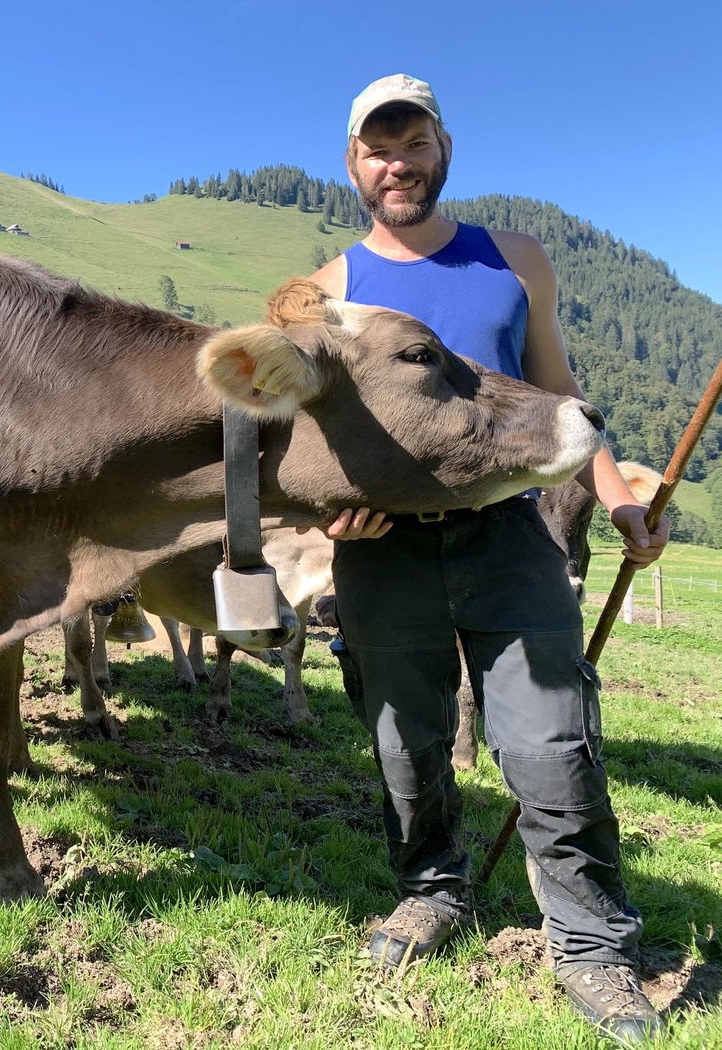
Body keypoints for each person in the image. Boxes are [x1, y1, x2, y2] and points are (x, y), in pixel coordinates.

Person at [306, 74, 670, 1042]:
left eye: (412, 141)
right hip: (379, 554)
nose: (396, 161)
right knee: (402, 742)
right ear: (352, 164)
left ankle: (592, 946)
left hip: (509, 534)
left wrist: (620, 497)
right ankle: (432, 890)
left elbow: (556, 390)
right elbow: (316, 437)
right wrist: (330, 515)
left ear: (441, 148)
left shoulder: (512, 262)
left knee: (550, 741)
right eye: (376, 147)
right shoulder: (327, 289)